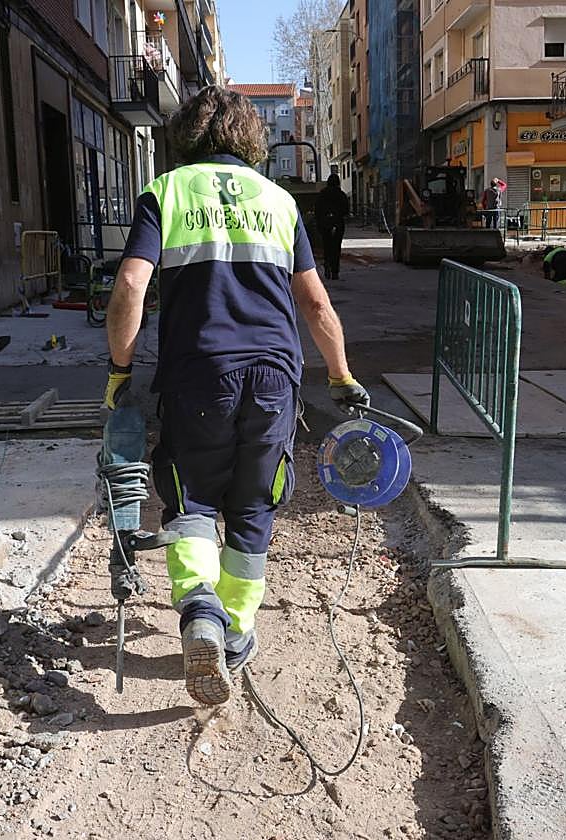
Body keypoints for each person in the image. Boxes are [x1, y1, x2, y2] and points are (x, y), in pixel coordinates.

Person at [103, 86, 369, 706]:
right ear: (251, 137)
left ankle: (199, 609)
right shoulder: (278, 200)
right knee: (254, 500)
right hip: (275, 375)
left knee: (190, 493)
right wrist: (340, 373)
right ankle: (238, 632)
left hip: (198, 371)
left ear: (188, 134)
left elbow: (130, 284)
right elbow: (315, 302)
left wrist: (120, 368)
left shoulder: (166, 193)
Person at [315, 174, 349, 280]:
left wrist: (320, 222)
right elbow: (346, 210)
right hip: (338, 223)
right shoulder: (341, 194)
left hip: (325, 223)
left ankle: (327, 266)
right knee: (336, 247)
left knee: (327, 246)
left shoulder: (322, 194)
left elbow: (317, 209)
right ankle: (335, 271)